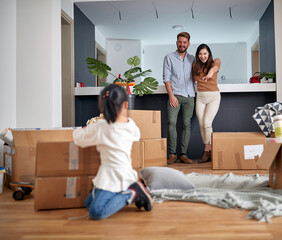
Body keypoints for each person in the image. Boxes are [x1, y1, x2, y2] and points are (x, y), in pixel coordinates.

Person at [73, 84, 152, 220]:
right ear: (126, 105)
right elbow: (136, 135)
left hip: (112, 177)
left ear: (102, 106)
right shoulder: (131, 125)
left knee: (95, 212)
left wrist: (82, 129)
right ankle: (127, 190)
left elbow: (78, 140)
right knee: (88, 202)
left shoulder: (100, 127)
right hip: (122, 172)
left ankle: (132, 193)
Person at [163, 32, 195, 165]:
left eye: (184, 42)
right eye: (180, 42)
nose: (182, 44)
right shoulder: (169, 57)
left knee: (186, 125)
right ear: (177, 42)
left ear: (188, 43)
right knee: (171, 123)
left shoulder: (192, 58)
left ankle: (183, 154)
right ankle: (172, 154)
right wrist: (171, 96)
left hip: (190, 96)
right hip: (175, 95)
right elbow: (166, 78)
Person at [192, 44, 221, 163]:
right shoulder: (195, 66)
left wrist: (210, 74)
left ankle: (207, 151)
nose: (202, 56)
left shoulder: (215, 63)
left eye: (205, 53)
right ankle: (212, 150)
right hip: (200, 97)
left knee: (207, 124)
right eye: (200, 54)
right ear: (197, 55)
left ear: (208, 53)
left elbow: (215, 69)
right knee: (201, 124)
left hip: (214, 97)